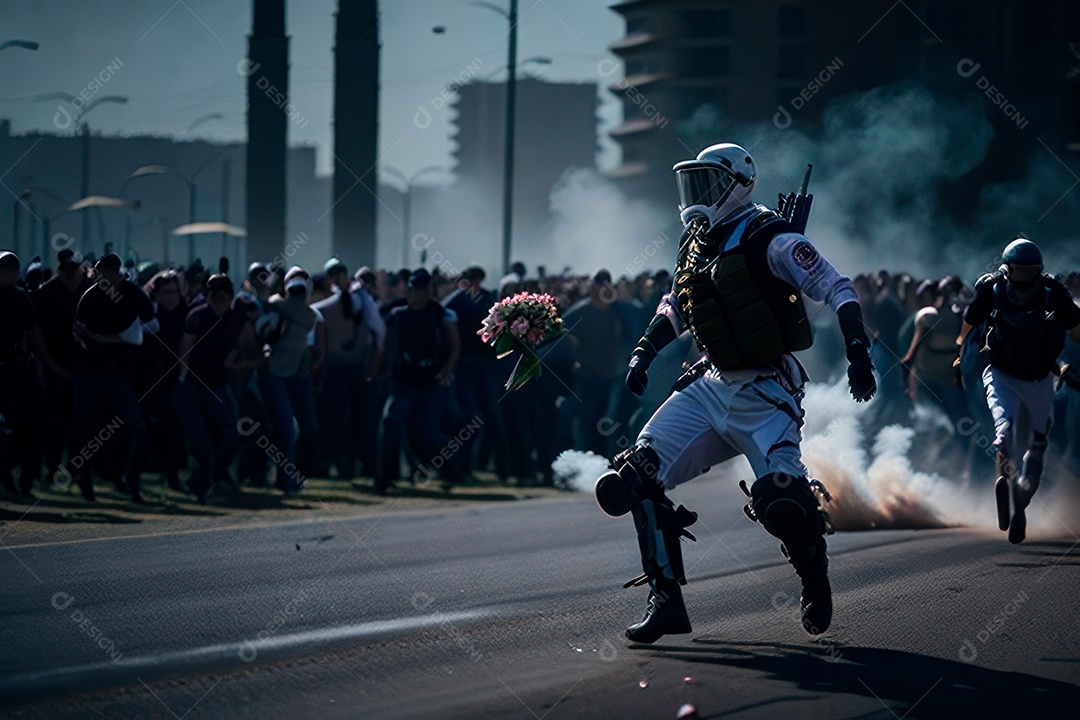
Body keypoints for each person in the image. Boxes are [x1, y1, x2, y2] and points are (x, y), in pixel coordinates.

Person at [593, 143, 876, 643]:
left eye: (707, 183)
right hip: (708, 384)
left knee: (781, 502)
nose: (696, 196)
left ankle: (814, 576)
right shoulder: (693, 244)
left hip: (767, 391)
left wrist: (858, 352)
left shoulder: (772, 234)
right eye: (692, 184)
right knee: (630, 479)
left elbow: (839, 287)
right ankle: (665, 600)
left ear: (737, 183)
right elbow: (675, 306)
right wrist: (643, 352)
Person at [957, 239, 1080, 544]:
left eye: (1030, 272)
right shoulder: (999, 289)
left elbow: (968, 324)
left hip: (1030, 376)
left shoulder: (1051, 293)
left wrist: (960, 350)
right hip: (1016, 374)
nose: (1024, 281)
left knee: (1016, 433)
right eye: (1020, 272)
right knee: (1019, 434)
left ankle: (1012, 487)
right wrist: (962, 350)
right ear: (1008, 270)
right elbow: (970, 323)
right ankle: (1019, 494)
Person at [71, 253, 158, 502]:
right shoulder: (91, 297)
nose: (104, 278)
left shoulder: (132, 293)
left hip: (115, 373)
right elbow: (78, 332)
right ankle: (86, 485)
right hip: (86, 372)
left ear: (117, 273)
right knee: (83, 431)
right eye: (100, 273)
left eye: (108, 273)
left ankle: (132, 486)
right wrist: (113, 338)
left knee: (138, 429)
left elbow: (154, 325)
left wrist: (129, 334)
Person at [373, 268, 462, 494]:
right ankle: (386, 478)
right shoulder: (398, 315)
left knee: (427, 433)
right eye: (412, 290)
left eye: (420, 290)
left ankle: (454, 469)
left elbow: (454, 347)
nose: (415, 295)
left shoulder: (442, 314)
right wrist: (378, 371)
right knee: (391, 421)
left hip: (431, 381)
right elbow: (386, 347)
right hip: (404, 381)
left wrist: (446, 371)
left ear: (428, 292)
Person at [172, 275, 256, 504]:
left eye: (224, 294)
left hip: (217, 387)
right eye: (214, 294)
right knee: (199, 438)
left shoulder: (237, 318)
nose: (219, 298)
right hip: (191, 386)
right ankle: (201, 487)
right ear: (208, 296)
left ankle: (210, 477)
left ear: (230, 297)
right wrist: (182, 379)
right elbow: (185, 351)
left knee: (234, 433)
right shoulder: (197, 316)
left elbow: (249, 343)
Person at [0, 251, 69, 496]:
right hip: (12, 372)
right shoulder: (20, 297)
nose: (7, 273)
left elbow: (35, 338)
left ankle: (19, 477)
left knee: (34, 426)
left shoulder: (21, 297)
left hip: (15, 370)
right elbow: (36, 339)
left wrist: (53, 367)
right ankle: (14, 475)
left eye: (10, 269)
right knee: (30, 427)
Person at [313, 257, 385, 480]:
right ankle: (325, 466)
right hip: (336, 369)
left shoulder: (360, 298)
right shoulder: (326, 305)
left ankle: (365, 467)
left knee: (362, 421)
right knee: (334, 421)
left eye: (339, 274)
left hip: (357, 368)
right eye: (333, 274)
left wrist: (374, 364)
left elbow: (378, 332)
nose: (337, 279)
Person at [258, 266, 325, 493]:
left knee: (310, 430)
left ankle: (296, 475)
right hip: (274, 373)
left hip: (297, 374)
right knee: (286, 429)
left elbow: (315, 342)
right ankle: (285, 481)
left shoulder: (310, 316)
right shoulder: (275, 308)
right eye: (294, 287)